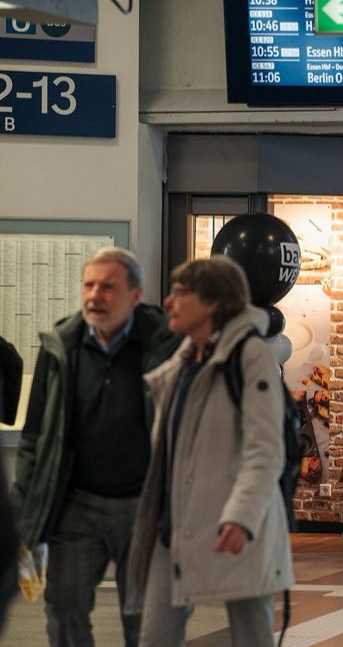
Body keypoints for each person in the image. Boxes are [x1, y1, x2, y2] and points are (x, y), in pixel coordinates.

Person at [10, 247, 179, 647]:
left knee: (145, 619)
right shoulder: (60, 348)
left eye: (107, 287)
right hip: (76, 507)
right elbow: (35, 438)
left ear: (135, 296)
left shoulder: (164, 346)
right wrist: (25, 508)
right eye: (88, 285)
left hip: (143, 507)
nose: (94, 296)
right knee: (64, 610)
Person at [124, 256, 294, 646]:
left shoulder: (251, 358)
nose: (169, 302)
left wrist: (240, 516)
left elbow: (265, 451)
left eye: (181, 293)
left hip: (238, 529)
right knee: (155, 637)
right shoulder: (183, 362)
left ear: (214, 303)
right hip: (176, 528)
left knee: (251, 635)